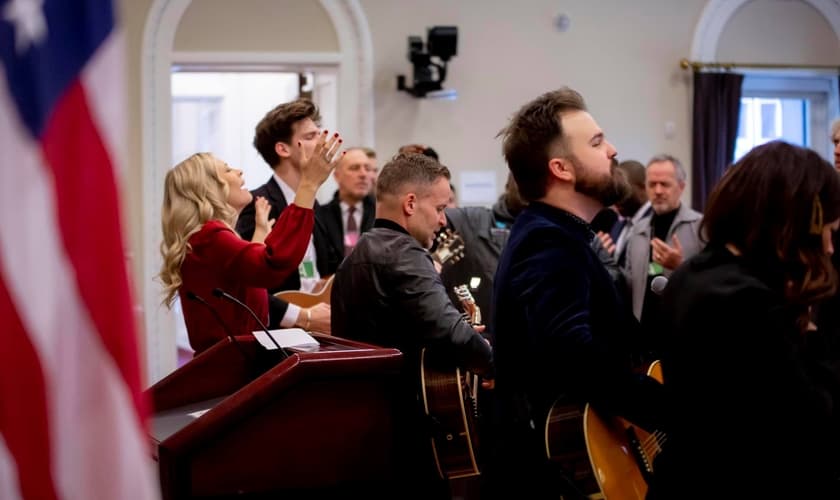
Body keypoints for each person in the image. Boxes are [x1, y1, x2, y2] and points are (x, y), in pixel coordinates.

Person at [486, 87, 662, 498]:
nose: (612, 150)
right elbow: (573, 353)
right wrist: (664, 408)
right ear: (561, 168)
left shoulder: (558, 233)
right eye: (597, 142)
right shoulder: (547, 240)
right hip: (554, 471)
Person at [648, 141, 840, 498]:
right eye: (828, 231)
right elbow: (813, 425)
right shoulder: (748, 301)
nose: (829, 248)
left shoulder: (692, 273)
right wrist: (809, 328)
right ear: (796, 224)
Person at [331, 152, 494, 499]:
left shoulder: (353, 258)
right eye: (439, 208)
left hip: (365, 430)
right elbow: (451, 333)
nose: (443, 220)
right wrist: (491, 363)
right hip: (410, 431)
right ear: (410, 204)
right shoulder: (405, 252)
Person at [158, 137, 339, 355]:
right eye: (227, 170)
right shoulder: (210, 236)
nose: (239, 171)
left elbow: (247, 278)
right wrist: (308, 184)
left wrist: (260, 234)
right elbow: (271, 263)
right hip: (231, 364)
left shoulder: (206, 238)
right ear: (208, 188)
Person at [236, 98, 333, 333]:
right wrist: (302, 315)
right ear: (283, 149)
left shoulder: (316, 206)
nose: (322, 142)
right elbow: (246, 285)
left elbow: (326, 266)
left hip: (318, 323)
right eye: (311, 136)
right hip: (278, 331)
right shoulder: (255, 204)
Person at [622, 154, 703, 355]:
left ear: (681, 187)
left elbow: (714, 282)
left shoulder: (700, 227)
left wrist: (680, 266)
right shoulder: (638, 230)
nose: (658, 191)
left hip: (685, 336)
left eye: (665, 184)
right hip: (643, 337)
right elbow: (630, 282)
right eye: (652, 184)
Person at [314, 146, 378, 276]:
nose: (363, 174)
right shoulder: (320, 216)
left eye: (367, 169)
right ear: (337, 176)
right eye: (355, 168)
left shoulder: (382, 215)